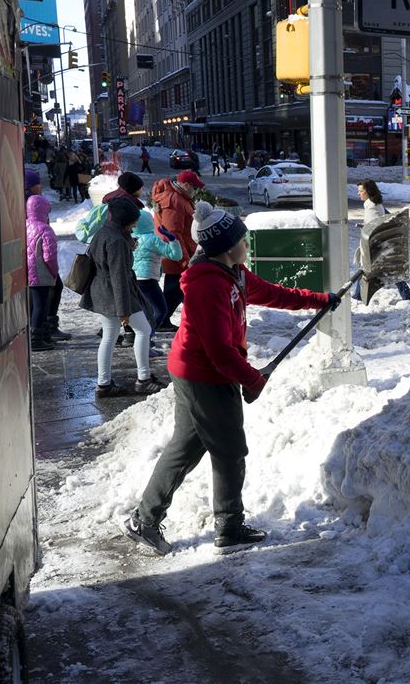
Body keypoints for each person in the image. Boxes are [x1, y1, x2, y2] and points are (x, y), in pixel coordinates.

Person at [121, 202, 342, 556]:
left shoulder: (234, 274)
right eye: (242, 239)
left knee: (187, 446)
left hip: (204, 371)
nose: (247, 244)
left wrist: (320, 300)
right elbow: (218, 351)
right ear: (225, 246)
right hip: (203, 375)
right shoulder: (208, 286)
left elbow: (273, 293)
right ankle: (229, 525)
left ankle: (146, 519)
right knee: (229, 451)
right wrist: (252, 380)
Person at [80, 197, 166, 398]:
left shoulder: (104, 232)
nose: (135, 224)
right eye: (133, 220)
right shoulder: (117, 241)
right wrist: (123, 311)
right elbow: (119, 277)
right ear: (124, 220)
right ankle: (143, 379)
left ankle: (104, 383)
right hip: (116, 294)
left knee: (109, 337)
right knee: (143, 330)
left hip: (102, 292)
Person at [152, 170, 202, 331]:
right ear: (187, 185)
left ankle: (162, 320)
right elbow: (173, 232)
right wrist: (184, 259)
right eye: (196, 188)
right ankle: (159, 320)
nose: (197, 191)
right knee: (177, 288)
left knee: (176, 288)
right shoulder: (174, 200)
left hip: (179, 251)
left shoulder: (179, 198)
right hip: (177, 253)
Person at [352, 179, 410, 302]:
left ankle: (358, 297)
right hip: (382, 245)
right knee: (389, 271)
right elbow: (382, 219)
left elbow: (373, 228)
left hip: (376, 247)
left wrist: (366, 227)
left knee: (370, 270)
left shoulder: (371, 206)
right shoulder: (376, 203)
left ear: (368, 191)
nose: (359, 193)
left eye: (361, 191)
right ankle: (408, 296)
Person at [132, 209, 183, 350]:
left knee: (144, 312)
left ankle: (142, 341)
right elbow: (176, 255)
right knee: (160, 311)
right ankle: (145, 341)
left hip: (133, 279)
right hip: (147, 280)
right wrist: (173, 240)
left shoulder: (131, 238)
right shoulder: (153, 240)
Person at [26, 194, 60, 351]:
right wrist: (54, 272)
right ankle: (36, 339)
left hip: (27, 274)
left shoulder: (23, 226)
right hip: (42, 274)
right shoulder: (45, 229)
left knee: (34, 305)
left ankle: (41, 335)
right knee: (41, 305)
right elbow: (50, 256)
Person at [75, 172, 147, 244]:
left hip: (101, 244)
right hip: (113, 246)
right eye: (140, 188)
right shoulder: (124, 207)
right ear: (133, 190)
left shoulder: (111, 201)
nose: (142, 191)